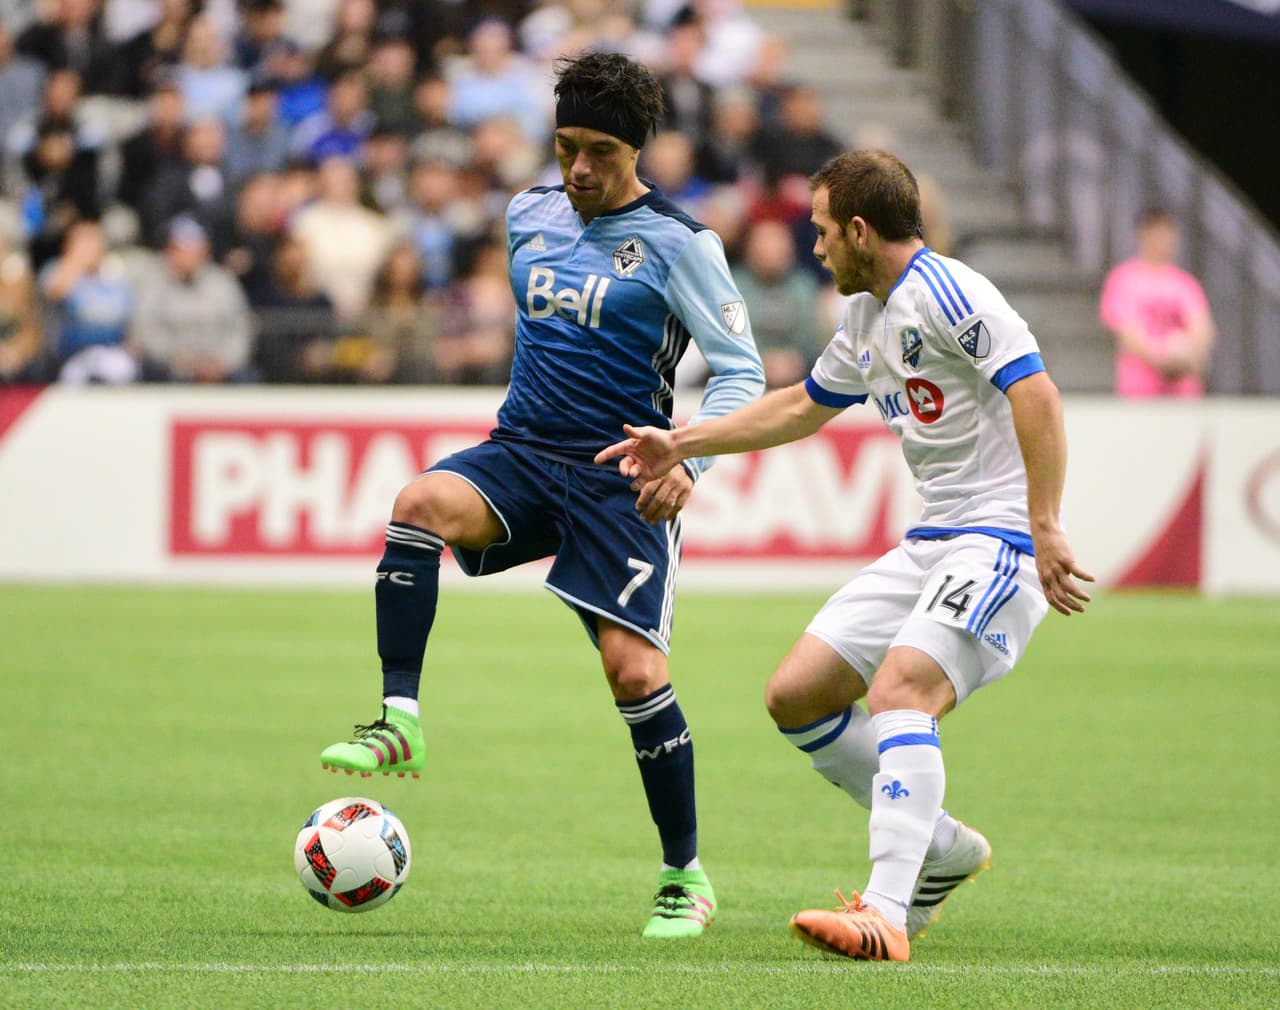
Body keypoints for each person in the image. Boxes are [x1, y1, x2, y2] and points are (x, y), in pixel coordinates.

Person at [596, 150, 1093, 961]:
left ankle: (887, 912)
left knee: (901, 692)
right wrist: (681, 442)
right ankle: (939, 847)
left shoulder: (952, 295)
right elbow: (799, 407)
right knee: (797, 695)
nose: (815, 248)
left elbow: (1034, 391)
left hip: (998, 538)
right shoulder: (865, 317)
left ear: (861, 231)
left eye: (823, 232)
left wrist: (1044, 525)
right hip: (934, 541)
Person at [318, 50, 765, 938]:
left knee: (634, 672)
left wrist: (688, 461)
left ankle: (686, 875)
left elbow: (742, 375)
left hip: (619, 479)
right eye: (567, 147)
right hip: (522, 452)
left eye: (601, 150)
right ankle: (398, 718)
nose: (581, 168)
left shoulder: (682, 244)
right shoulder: (529, 214)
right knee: (417, 505)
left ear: (638, 151)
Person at [1099, 206, 1214, 398]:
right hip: (1140, 393)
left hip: (1183, 394)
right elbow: (1126, 332)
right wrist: (1162, 357)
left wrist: (1186, 355)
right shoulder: (1123, 279)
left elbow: (1202, 330)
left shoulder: (1186, 283)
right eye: (1157, 233)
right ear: (1143, 234)